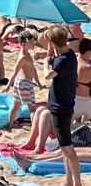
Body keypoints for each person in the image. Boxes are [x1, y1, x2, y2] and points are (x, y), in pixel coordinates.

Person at [48, 25, 81, 186]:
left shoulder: (60, 62)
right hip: (67, 104)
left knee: (68, 148)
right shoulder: (70, 55)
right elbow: (60, 58)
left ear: (53, 42)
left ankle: (78, 183)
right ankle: (69, 180)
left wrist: (46, 60)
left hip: (60, 109)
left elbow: (48, 75)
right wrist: (53, 51)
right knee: (64, 147)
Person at [8, 33, 43, 125]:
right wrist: (8, 86)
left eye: (33, 41)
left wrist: (38, 82)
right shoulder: (23, 57)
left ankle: (10, 124)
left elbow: (33, 69)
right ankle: (35, 128)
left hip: (23, 82)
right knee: (31, 108)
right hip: (24, 83)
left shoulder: (27, 54)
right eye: (30, 42)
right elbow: (15, 71)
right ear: (24, 44)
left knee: (16, 106)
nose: (33, 43)